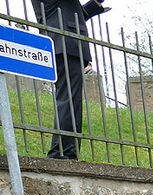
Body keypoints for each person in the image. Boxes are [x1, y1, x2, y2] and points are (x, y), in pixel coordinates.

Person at [32, 1, 108, 160]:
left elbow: (76, 14)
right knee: (68, 98)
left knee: (73, 100)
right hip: (64, 43)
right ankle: (61, 152)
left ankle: (67, 150)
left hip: (69, 43)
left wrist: (96, 3)